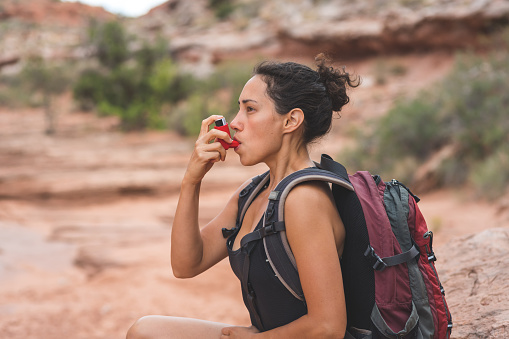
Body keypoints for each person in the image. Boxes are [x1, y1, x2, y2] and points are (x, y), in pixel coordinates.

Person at [126, 54, 360, 339]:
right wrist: (192, 180)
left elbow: (328, 327)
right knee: (146, 331)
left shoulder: (304, 199)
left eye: (250, 109)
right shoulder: (251, 193)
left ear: (291, 120)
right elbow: (186, 264)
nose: (235, 123)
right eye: (239, 110)